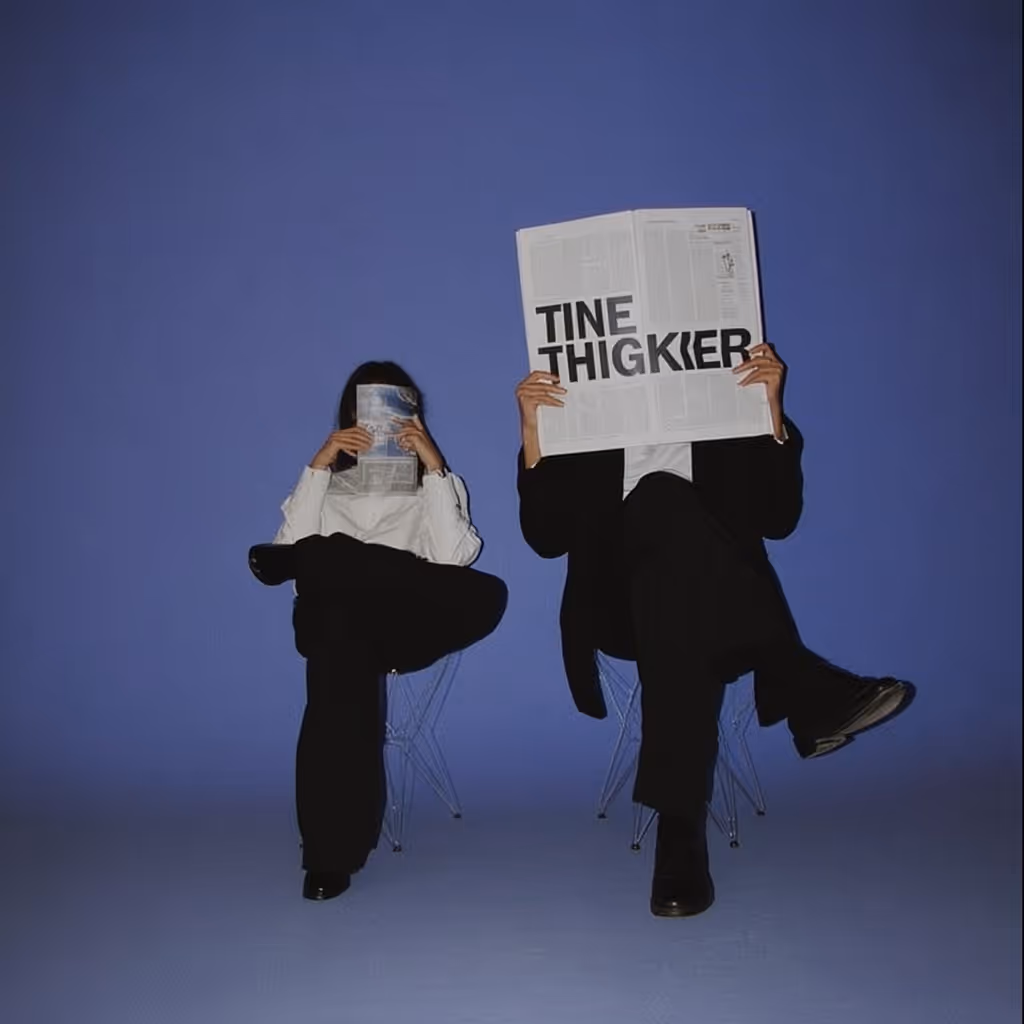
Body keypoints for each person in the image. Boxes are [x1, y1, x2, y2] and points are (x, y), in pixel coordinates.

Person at [514, 343, 915, 918]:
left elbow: (779, 519)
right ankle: (800, 680)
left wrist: (769, 410)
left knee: (678, 600)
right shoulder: (581, 414)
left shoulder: (725, 410)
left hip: (706, 607)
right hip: (616, 605)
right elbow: (544, 536)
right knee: (658, 497)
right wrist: (534, 430)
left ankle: (679, 835)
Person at [249, 361, 507, 902]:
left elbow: (455, 557)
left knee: (333, 560)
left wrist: (433, 465)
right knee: (335, 664)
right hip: (337, 629)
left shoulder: (432, 484)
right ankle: (327, 855)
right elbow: (289, 538)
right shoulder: (326, 487)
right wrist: (319, 464)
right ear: (349, 416)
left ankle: (331, 559)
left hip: (403, 619)